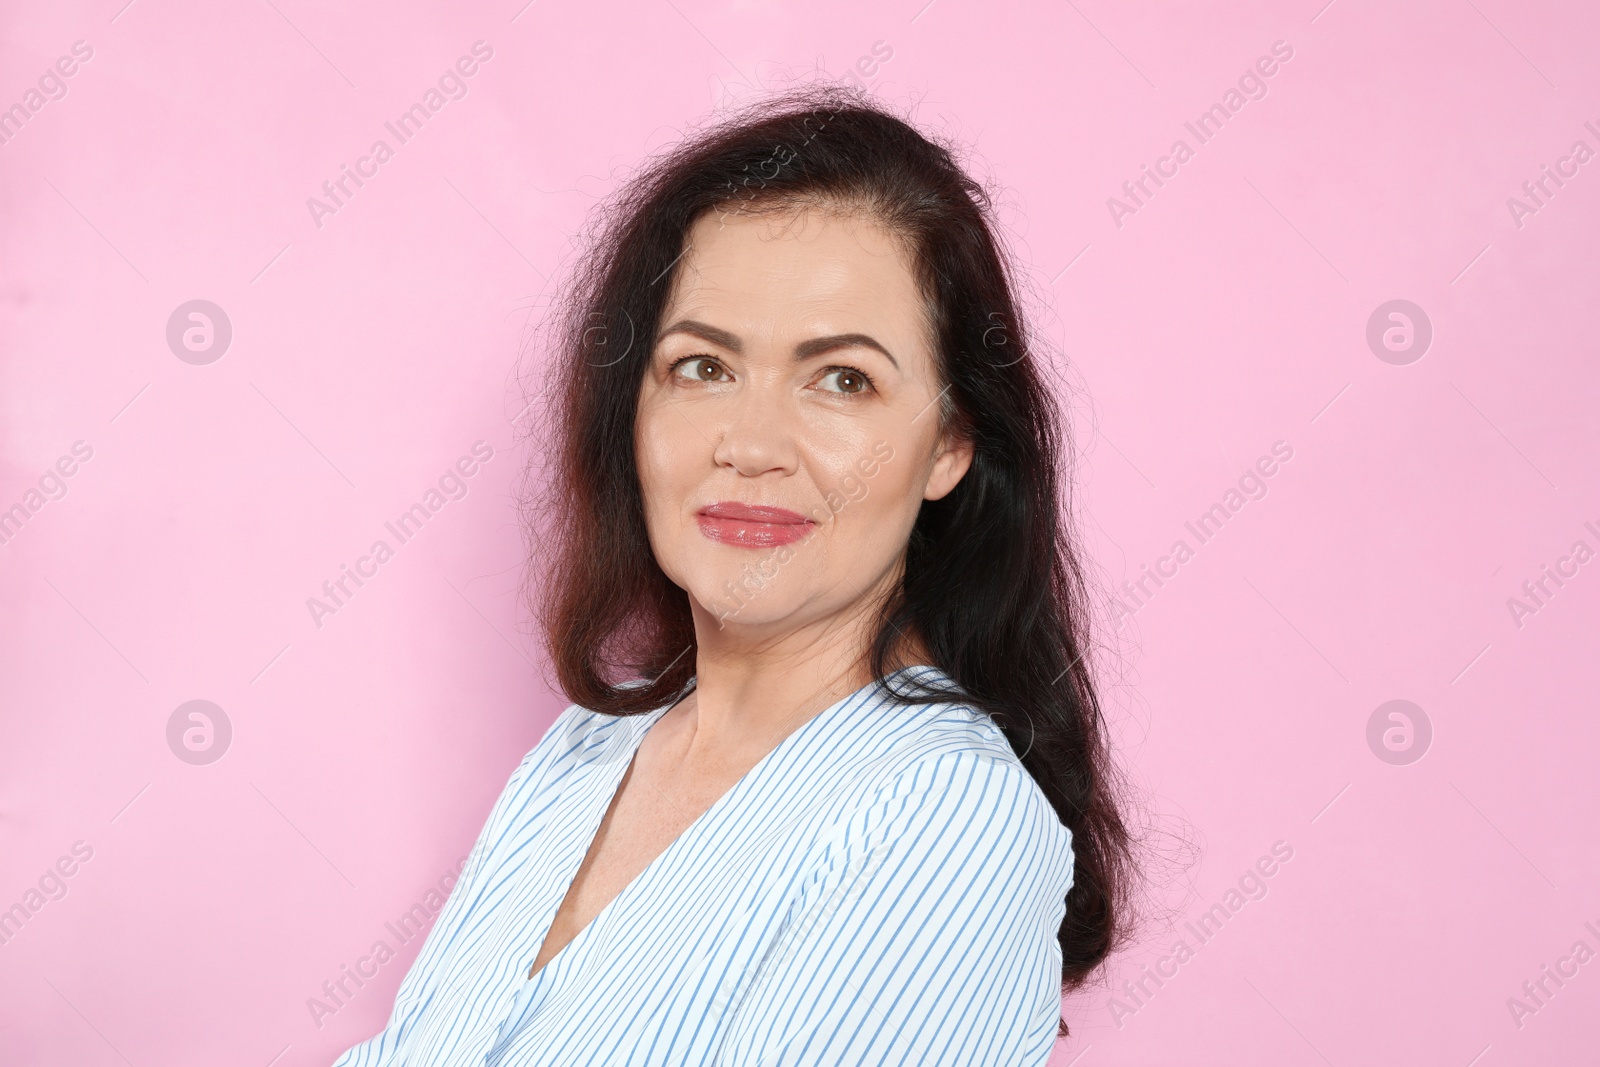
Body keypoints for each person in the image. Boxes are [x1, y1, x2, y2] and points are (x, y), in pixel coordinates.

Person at [331, 83, 1135, 1066]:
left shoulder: (949, 818)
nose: (750, 444)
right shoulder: (590, 743)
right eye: (702, 367)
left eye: (843, 378)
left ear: (950, 443)